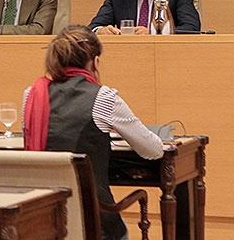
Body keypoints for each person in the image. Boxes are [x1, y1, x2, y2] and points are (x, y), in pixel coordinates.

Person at [22, 25, 163, 240]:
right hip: (94, 223)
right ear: (95, 61)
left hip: (42, 219)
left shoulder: (31, 95)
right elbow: (152, 150)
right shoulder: (104, 97)